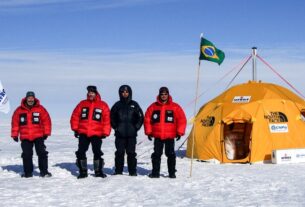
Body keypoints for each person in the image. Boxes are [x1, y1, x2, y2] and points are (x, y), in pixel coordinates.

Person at [144, 87, 186, 178]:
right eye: (162, 94)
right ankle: (155, 173)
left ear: (168, 94)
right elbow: (147, 119)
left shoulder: (175, 107)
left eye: (165, 94)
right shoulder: (153, 106)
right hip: (158, 135)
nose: (163, 96)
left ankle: (172, 173)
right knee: (156, 154)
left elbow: (182, 119)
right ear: (159, 95)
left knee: (170, 154)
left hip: (170, 136)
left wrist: (179, 132)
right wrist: (149, 132)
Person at [70, 85, 111, 179]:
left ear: (96, 94)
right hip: (83, 132)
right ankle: (83, 171)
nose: (90, 94)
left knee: (97, 151)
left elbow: (106, 119)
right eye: (89, 92)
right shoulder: (82, 103)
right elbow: (75, 116)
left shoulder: (103, 105)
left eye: (92, 93)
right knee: (81, 151)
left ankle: (98, 171)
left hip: (97, 133)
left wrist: (105, 132)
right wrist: (75, 129)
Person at [11, 91, 52, 178]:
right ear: (26, 98)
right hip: (25, 136)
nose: (30, 99)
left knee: (42, 153)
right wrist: (14, 134)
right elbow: (15, 123)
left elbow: (46, 121)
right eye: (29, 98)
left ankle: (44, 172)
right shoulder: (19, 110)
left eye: (32, 98)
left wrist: (46, 133)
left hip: (38, 136)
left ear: (34, 98)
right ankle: (28, 173)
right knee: (26, 154)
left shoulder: (41, 109)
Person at [110, 85, 143, 176]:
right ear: (120, 93)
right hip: (120, 134)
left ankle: (132, 172)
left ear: (130, 93)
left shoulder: (134, 104)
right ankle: (118, 171)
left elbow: (140, 117)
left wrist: (136, 127)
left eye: (126, 92)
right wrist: (116, 127)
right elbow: (111, 117)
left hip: (131, 135)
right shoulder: (117, 105)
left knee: (131, 153)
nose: (125, 93)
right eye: (123, 92)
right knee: (119, 153)